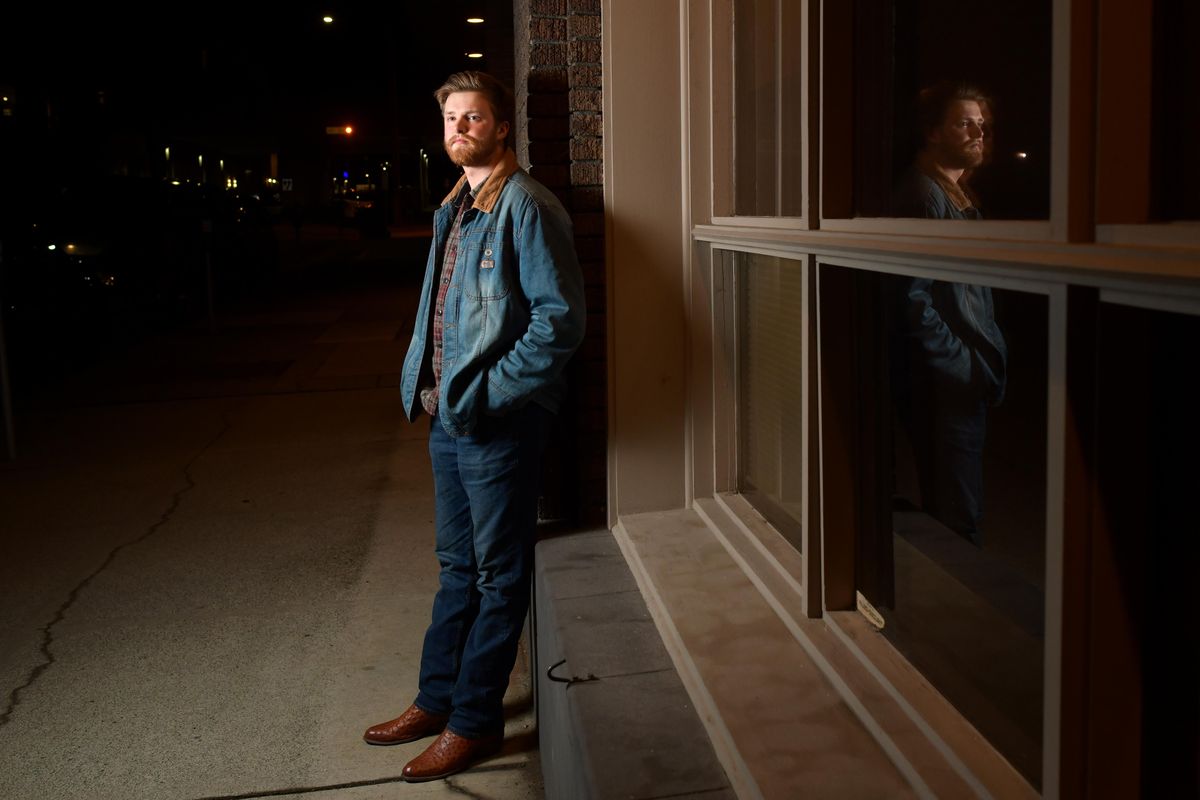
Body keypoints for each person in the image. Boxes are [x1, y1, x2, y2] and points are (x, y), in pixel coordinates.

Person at [362, 71, 585, 781]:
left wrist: (488, 394)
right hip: (448, 418)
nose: (459, 130)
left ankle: (475, 720)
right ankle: (435, 700)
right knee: (456, 567)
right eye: (452, 119)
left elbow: (559, 323)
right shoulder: (455, 205)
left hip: (496, 422)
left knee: (497, 574)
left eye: (474, 118)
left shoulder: (527, 206)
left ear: (503, 127)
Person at [890, 81, 1007, 545]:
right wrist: (963, 368)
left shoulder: (957, 198)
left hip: (954, 385)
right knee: (958, 522)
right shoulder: (925, 196)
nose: (978, 133)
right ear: (933, 133)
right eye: (964, 123)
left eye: (981, 124)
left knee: (956, 511)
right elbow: (911, 300)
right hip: (945, 388)